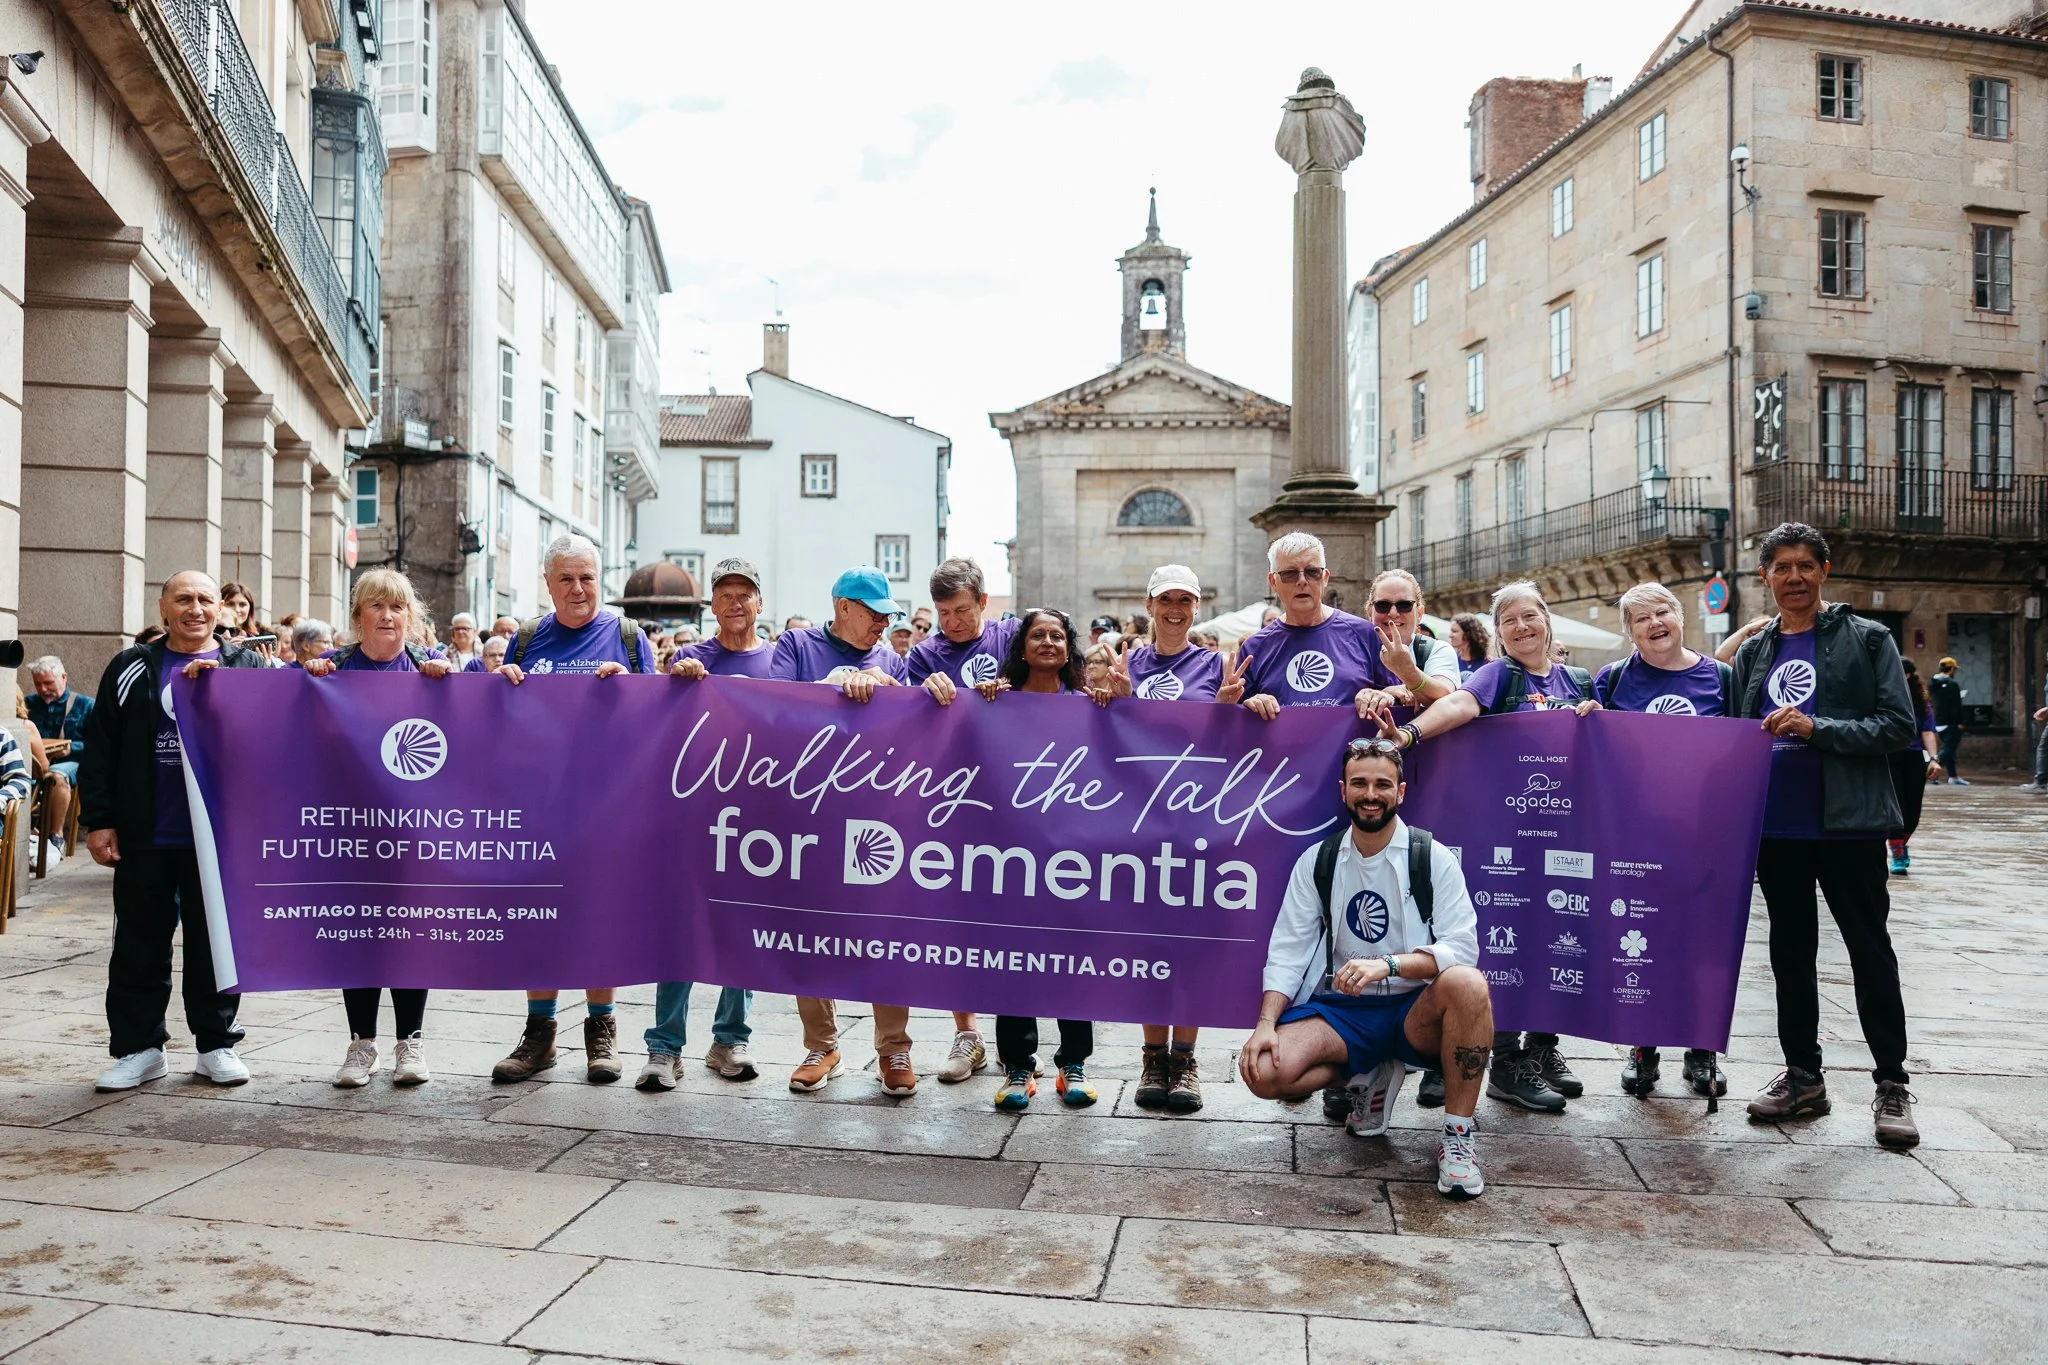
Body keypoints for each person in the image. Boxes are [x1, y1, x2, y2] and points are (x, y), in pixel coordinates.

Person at [1729, 523, 1918, 1147]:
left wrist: (1818, 729)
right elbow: (1730, 727)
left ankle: (1892, 1084)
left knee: (1869, 950)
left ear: (1825, 571)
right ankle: (1804, 1077)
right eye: (1782, 567)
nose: (1795, 577)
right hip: (1777, 828)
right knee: (1790, 954)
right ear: (1765, 577)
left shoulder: (1867, 639)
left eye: (1806, 565)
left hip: (1849, 824)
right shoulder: (1757, 650)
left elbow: (1896, 725)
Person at [1377, 579, 1594, 1114]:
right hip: (1511, 834)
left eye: (1529, 616)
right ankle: (1505, 1059)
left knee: (1559, 937)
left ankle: (1543, 1048)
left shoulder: (1582, 678)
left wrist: (1596, 719)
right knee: (1511, 940)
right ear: (1498, 633)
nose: (1521, 627)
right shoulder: (1500, 674)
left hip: (1569, 831)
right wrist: (1406, 737)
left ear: (1547, 619)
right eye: (1509, 621)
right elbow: (1459, 706)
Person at [1240, 739, 1490, 1199]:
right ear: (1343, 790)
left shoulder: (1431, 856)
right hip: (1347, 1012)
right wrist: (1265, 1024)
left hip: (1416, 1011)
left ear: (1400, 792)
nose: (1370, 794)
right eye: (1360, 783)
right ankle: (1367, 1073)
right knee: (1263, 1070)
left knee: (1469, 985)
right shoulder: (1319, 859)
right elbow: (1289, 948)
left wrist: (1388, 965)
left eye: (1381, 784)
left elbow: (1462, 948)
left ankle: (1457, 1137)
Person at [79, 571, 263, 1091]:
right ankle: (140, 1048)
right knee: (139, 944)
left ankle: (216, 1045)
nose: (196, 608)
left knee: (215, 946)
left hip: (219, 840)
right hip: (146, 834)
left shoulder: (246, 665)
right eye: (184, 599)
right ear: (164, 608)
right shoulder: (130, 667)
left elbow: (276, 738)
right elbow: (101, 747)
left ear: (221, 610)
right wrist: (100, 820)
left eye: (206, 599)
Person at [487, 534, 660, 1085]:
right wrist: (497, 687)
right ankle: (540, 1033)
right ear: (548, 582)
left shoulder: (629, 639)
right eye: (567, 578)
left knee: (599, 917)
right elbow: (493, 720)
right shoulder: (528, 640)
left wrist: (630, 690)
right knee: (539, 918)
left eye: (587, 577)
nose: (579, 589)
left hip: (608, 808)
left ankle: (601, 1029)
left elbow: (657, 723)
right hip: (538, 804)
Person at [769, 566, 938, 1096]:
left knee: (884, 933)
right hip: (809, 815)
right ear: (843, 606)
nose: (885, 626)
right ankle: (822, 1045)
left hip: (875, 816)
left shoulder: (892, 660)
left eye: (890, 617)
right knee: (811, 931)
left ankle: (894, 1051)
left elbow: (916, 733)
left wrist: (927, 692)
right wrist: (833, 687)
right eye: (876, 615)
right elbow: (770, 709)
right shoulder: (796, 645)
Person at [301, 571, 453, 1085]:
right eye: (376, 607)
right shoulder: (333, 668)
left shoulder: (433, 673)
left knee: (410, 933)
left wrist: (454, 686)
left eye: (397, 608)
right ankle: (361, 1045)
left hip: (413, 829)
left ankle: (411, 1042)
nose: (387, 617)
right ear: (358, 615)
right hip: (351, 828)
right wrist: (309, 680)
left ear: (410, 617)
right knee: (359, 932)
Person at [1591, 582, 1735, 1099]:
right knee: (1638, 945)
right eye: (1640, 619)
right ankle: (1642, 1047)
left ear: (1680, 616)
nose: (1654, 624)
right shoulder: (1612, 681)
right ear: (1629, 633)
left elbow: (1740, 753)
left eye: (1662, 612)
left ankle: (1701, 1051)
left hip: (1706, 838)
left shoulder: (1720, 677)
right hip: (1636, 838)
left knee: (1702, 946)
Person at [651, 556, 777, 1090]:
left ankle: (730, 1039)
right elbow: (655, 719)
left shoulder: (778, 663)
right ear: (712, 604)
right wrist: (673, 681)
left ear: (758, 603)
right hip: (691, 815)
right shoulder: (689, 659)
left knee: (740, 927)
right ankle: (664, 1048)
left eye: (743, 593)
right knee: (679, 925)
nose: (733, 603)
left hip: (753, 818)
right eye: (723, 593)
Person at [976, 607, 1109, 1110]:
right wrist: (984, 701)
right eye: (1038, 635)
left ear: (1068, 646)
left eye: (1057, 635)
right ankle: (1016, 1067)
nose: (1048, 642)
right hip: (1011, 858)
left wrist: (1111, 705)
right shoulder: (998, 702)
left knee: (1072, 960)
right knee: (1013, 960)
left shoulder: (1087, 705)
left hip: (1071, 860)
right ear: (1022, 646)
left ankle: (1073, 1062)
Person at [1104, 565, 1226, 1111]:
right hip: (1138, 826)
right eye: (1166, 599)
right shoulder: (1127, 663)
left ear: (1196, 608)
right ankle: (1153, 1056)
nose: (1176, 608)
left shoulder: (1215, 664)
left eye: (1186, 600)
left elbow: (1229, 741)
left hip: (1197, 823)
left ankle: (1187, 1058)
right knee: (1150, 947)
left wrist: (1233, 710)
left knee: (1192, 946)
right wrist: (1119, 701)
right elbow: (1107, 741)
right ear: (1148, 605)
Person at [903, 557, 1020, 1083]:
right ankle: (967, 1034)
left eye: (963, 611)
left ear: (984, 601)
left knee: (1014, 919)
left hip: (1017, 798)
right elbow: (902, 719)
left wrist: (1015, 684)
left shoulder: (1010, 637)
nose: (954, 623)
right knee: (955, 919)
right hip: (951, 802)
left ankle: (1017, 1035)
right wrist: (921, 698)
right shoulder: (925, 655)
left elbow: (1053, 684)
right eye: (945, 613)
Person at [1236, 533, 1402, 723]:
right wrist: (1251, 704)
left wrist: (1384, 696)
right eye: (1289, 574)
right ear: (1273, 581)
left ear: (1324, 577)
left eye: (1312, 572)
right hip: (1282, 753)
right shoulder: (1254, 648)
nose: (1302, 581)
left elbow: (1400, 696)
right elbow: (1237, 723)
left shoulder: (1366, 634)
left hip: (1356, 751)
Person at [24, 656, 91, 859]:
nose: (43, 689)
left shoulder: (85, 705)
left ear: (64, 678)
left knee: (56, 777)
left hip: (71, 763)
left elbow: (101, 744)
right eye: (38, 684)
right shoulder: (29, 704)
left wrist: (71, 748)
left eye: (48, 683)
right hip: (36, 762)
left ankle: (56, 836)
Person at [1367, 569, 1457, 707]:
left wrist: (1407, 671)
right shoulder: (1354, 649)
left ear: (1419, 613)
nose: (1393, 613)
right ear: (1370, 611)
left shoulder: (1436, 650)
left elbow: (1447, 698)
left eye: (1404, 605)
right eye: (1382, 605)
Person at [1888, 661, 1942, 875]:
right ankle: (1898, 854)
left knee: (1912, 812)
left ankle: (1901, 845)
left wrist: (1934, 758)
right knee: (1895, 808)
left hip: (1912, 757)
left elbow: (1927, 732)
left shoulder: (1921, 702)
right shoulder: (1882, 696)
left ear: (1908, 675)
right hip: (1887, 756)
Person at [1929, 657, 1966, 784]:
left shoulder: (1932, 684)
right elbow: (1956, 705)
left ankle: (1953, 777)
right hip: (1951, 722)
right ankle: (1933, 769)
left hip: (1938, 720)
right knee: (1948, 749)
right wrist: (1960, 722)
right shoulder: (1953, 685)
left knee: (1948, 749)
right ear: (1951, 669)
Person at [1449, 613, 1491, 679]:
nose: (1450, 635)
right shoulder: (1451, 660)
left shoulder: (1488, 662)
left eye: (1454, 631)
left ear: (1468, 634)